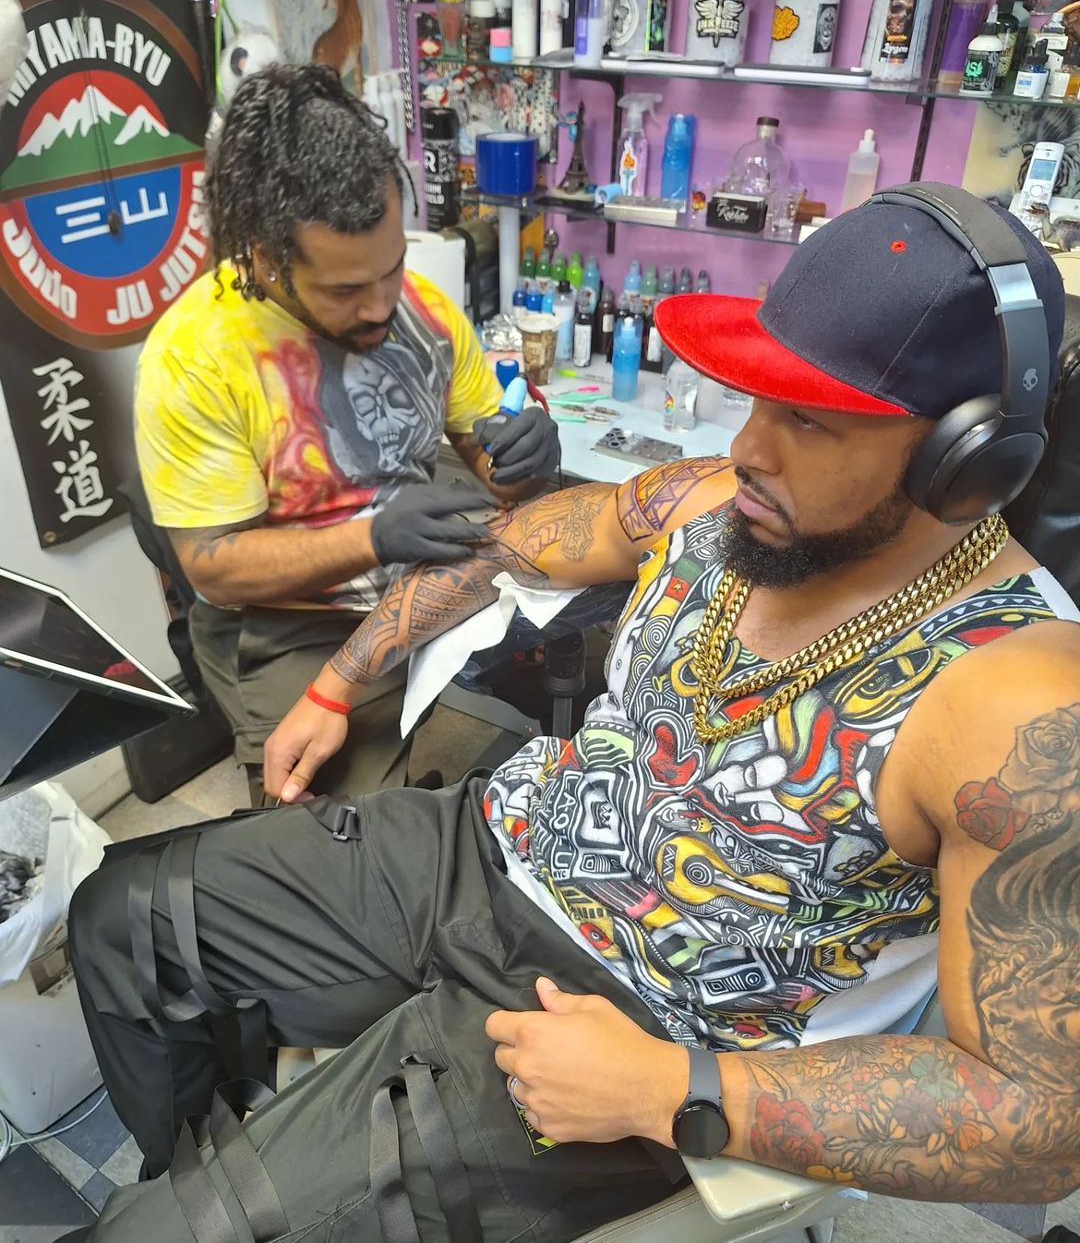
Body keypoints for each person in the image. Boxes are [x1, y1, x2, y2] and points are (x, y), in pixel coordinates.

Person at [69, 190, 1080, 1242]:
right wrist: (339, 681)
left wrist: (673, 1090)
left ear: (964, 458)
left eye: (810, 421)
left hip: (653, 1020)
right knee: (129, 917)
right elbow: (515, 545)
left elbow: (1040, 1121)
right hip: (497, 844)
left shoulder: (1016, 702)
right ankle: (201, 1172)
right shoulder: (709, 502)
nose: (750, 447)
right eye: (758, 398)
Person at [133, 63, 563, 804]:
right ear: (264, 257)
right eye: (345, 289)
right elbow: (212, 568)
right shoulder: (195, 357)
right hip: (291, 622)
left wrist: (529, 455)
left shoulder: (423, 311)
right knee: (346, 841)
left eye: (392, 269)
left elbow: (495, 468)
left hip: (419, 584)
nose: (381, 306)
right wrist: (371, 538)